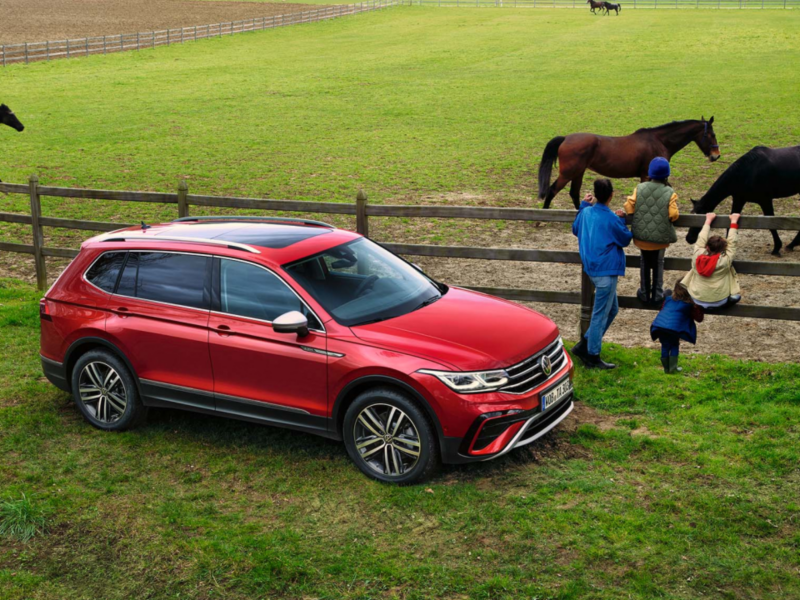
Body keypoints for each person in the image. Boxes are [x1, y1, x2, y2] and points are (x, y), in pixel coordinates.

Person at [571, 178, 633, 369]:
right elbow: (625, 239)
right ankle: (592, 355)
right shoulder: (612, 218)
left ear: (595, 195)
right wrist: (622, 219)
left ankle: (585, 345)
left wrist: (582, 205)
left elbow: (575, 229)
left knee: (611, 309)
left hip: (592, 269)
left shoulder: (586, 213)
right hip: (606, 271)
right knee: (600, 314)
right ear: (611, 195)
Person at [624, 157, 680, 305]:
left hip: (641, 237)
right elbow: (673, 215)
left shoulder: (640, 187)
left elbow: (629, 207)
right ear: (666, 174)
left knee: (644, 262)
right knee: (659, 263)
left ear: (650, 173)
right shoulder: (669, 191)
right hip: (660, 238)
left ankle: (643, 293)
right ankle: (657, 295)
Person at [681, 212, 742, 309]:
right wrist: (734, 222)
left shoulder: (698, 254)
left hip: (696, 298)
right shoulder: (725, 259)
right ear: (724, 249)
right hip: (719, 300)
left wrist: (708, 221)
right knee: (736, 296)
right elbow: (732, 243)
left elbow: (701, 238)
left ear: (707, 247)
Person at [650, 278, 704, 374]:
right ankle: (673, 368)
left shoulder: (668, 299)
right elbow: (698, 318)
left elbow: (662, 309)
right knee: (674, 345)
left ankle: (666, 368)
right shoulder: (689, 304)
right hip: (673, 328)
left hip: (659, 325)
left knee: (665, 345)